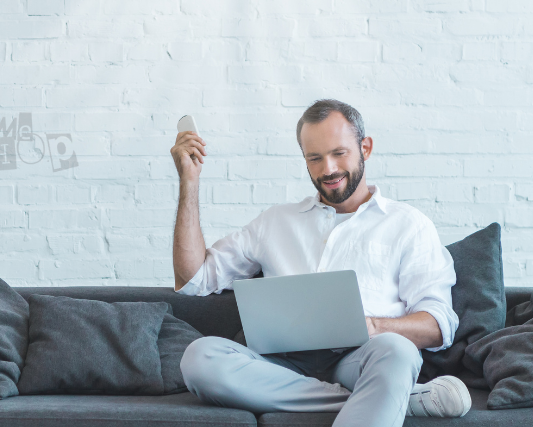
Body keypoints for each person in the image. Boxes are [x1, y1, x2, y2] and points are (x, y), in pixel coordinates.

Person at [169, 99, 472, 425]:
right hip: (281, 364)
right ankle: (390, 398)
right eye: (315, 158)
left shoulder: (408, 224)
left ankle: (380, 389)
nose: (328, 168)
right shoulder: (275, 222)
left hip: (361, 358)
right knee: (199, 357)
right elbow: (194, 278)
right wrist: (190, 180)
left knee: (398, 352)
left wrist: (375, 326)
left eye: (339, 153)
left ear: (365, 148)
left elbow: (439, 325)